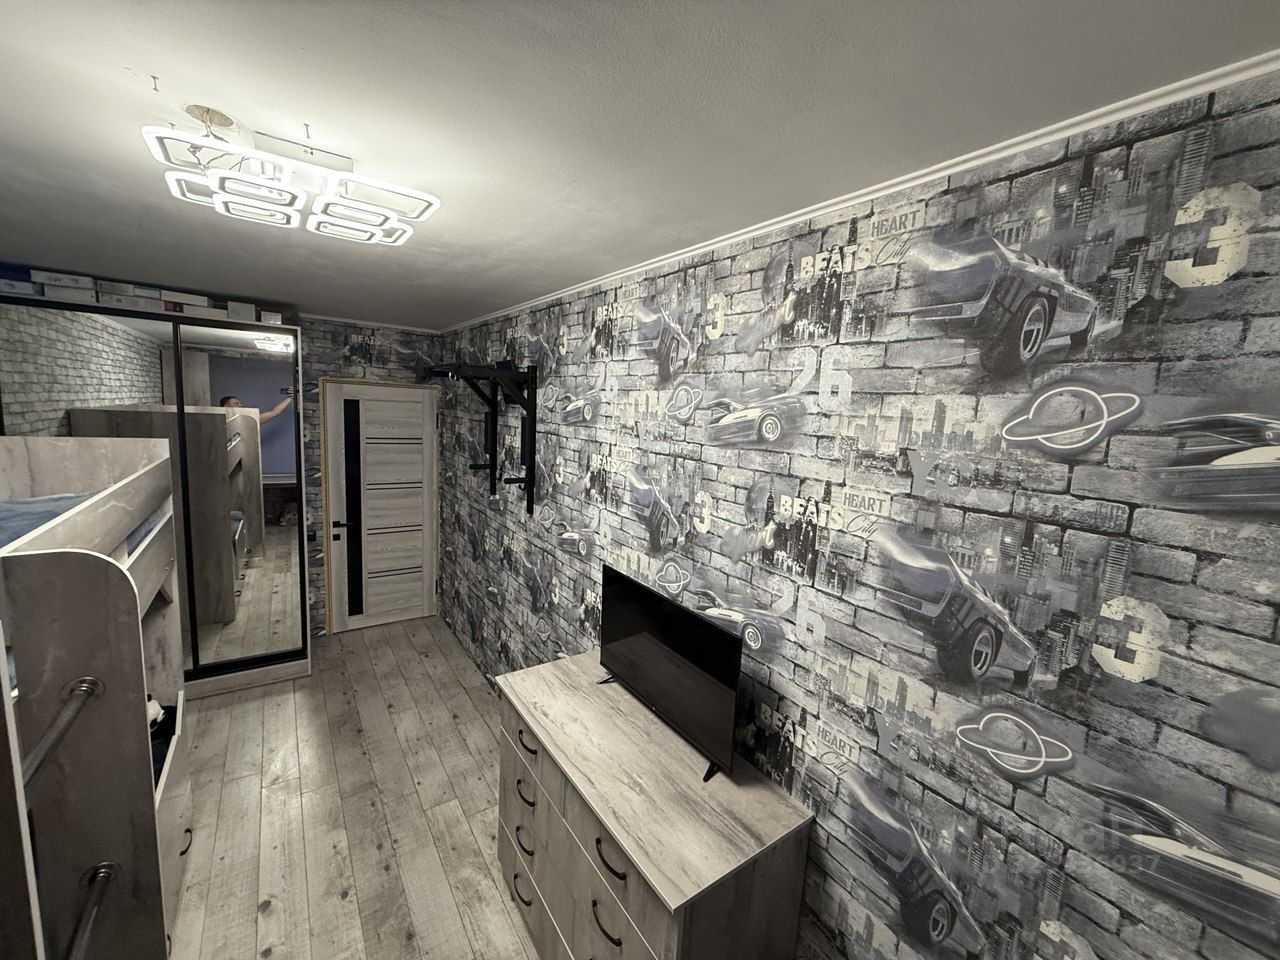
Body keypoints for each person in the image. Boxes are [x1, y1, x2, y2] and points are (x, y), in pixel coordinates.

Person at [220, 388, 294, 424]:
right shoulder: (218, 424)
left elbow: (275, 412)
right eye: (236, 404)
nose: (240, 406)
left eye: (240, 403)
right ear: (226, 407)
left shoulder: (247, 422)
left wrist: (290, 398)